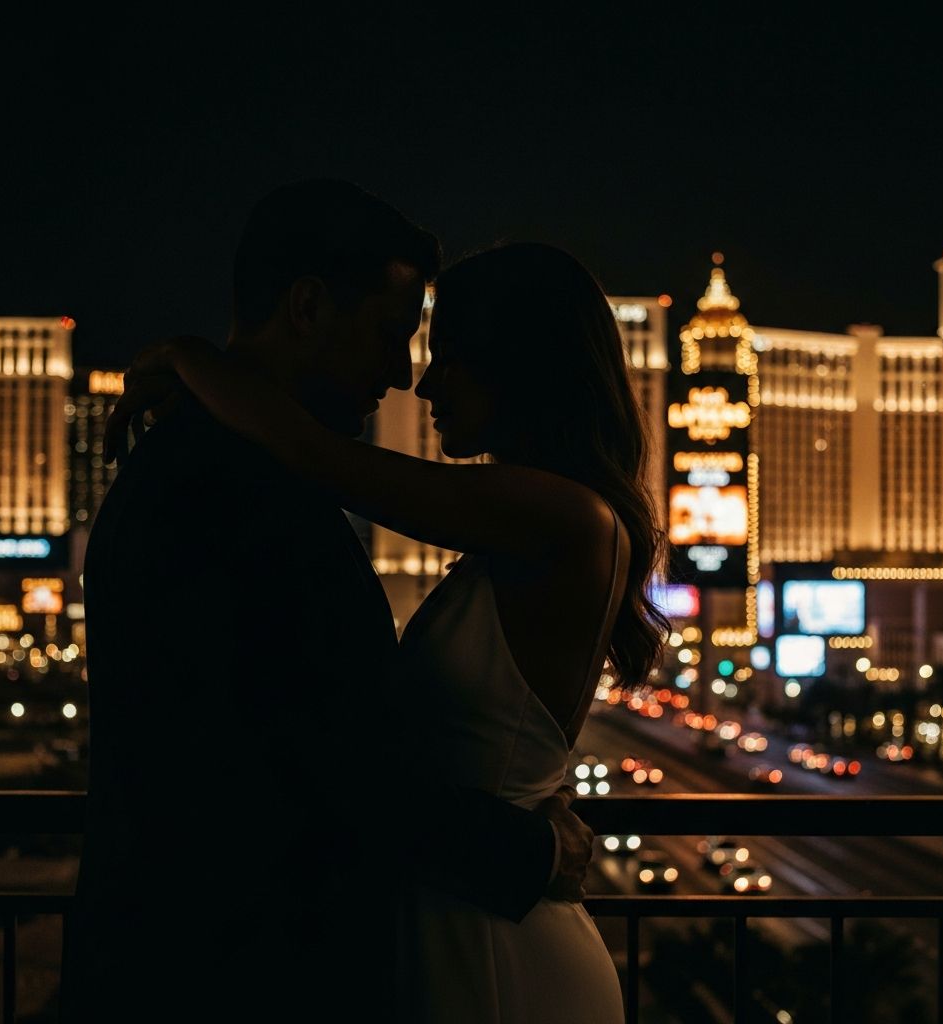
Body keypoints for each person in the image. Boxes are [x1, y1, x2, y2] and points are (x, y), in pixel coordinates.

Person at [59, 179, 596, 1024]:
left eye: (435, 353)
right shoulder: (228, 483)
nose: (404, 376)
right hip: (231, 982)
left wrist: (195, 361)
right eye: (393, 336)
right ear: (308, 307)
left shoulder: (244, 464)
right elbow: (308, 763)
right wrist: (525, 848)